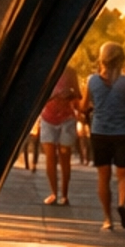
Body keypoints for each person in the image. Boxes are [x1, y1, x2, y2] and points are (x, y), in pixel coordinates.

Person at [82, 41, 125, 231]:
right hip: (123, 133)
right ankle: (122, 204)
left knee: (103, 177)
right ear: (121, 60)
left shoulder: (92, 81)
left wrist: (94, 106)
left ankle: (108, 219)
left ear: (101, 60)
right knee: (123, 175)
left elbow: (84, 107)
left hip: (99, 132)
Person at [38, 64, 81, 206]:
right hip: (48, 118)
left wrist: (70, 94)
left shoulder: (70, 72)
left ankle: (65, 194)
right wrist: (55, 95)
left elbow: (79, 95)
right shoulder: (46, 69)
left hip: (66, 119)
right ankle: (53, 193)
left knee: (65, 156)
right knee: (50, 156)